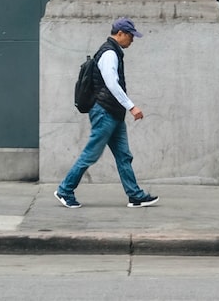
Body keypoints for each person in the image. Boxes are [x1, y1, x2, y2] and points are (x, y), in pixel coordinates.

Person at [54, 17, 160, 209]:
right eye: (130, 36)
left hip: (113, 113)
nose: (132, 40)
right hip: (104, 111)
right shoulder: (109, 53)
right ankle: (65, 189)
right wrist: (131, 106)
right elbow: (112, 84)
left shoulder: (113, 52)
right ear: (120, 34)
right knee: (91, 154)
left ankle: (135, 195)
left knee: (123, 155)